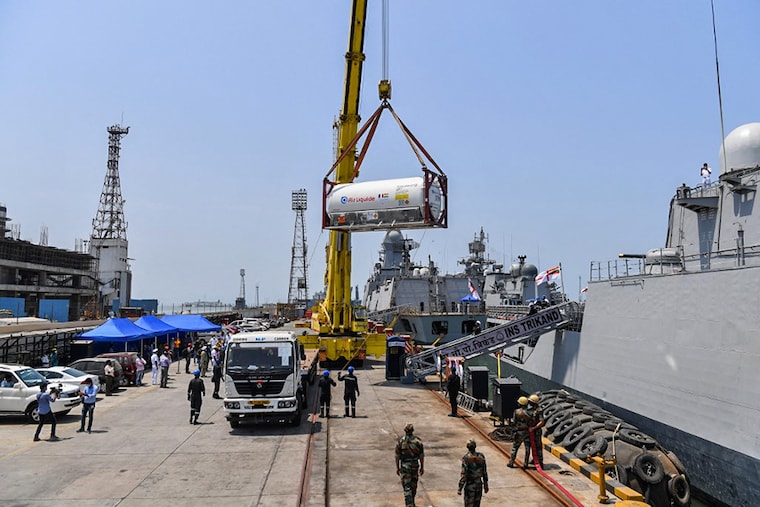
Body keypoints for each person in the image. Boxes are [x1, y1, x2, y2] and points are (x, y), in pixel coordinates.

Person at [395, 422, 424, 507]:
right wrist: (422, 467)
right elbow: (421, 456)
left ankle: (409, 504)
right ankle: (412, 503)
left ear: (405, 431)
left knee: (407, 487)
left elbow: (397, 456)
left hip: (405, 467)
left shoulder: (400, 442)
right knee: (414, 485)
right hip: (415, 466)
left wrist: (397, 467)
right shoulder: (418, 442)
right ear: (412, 431)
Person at [457, 439, 489, 507]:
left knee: (469, 504)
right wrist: (486, 484)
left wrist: (460, 488)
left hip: (470, 485)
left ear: (467, 447)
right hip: (479, 484)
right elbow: (484, 471)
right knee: (477, 504)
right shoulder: (481, 456)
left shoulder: (466, 458)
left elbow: (464, 474)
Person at [507, 396, 531, 468]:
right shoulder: (530, 412)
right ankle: (526, 463)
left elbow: (513, 422)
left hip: (519, 432)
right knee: (527, 448)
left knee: (515, 448)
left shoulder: (516, 412)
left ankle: (511, 462)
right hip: (527, 432)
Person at [527, 393, 545, 468]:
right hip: (531, 430)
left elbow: (542, 422)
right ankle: (534, 459)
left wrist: (534, 428)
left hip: (536, 431)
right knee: (532, 445)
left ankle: (540, 461)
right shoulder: (530, 409)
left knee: (538, 446)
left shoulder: (539, 410)